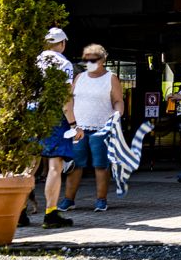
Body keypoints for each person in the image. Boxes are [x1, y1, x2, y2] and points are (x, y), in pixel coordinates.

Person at [60, 44, 124, 213]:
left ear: (103, 60)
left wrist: (117, 116)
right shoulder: (79, 77)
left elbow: (118, 100)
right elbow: (70, 99)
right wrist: (72, 121)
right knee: (75, 165)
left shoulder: (111, 78)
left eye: (93, 60)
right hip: (79, 127)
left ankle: (101, 200)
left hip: (102, 127)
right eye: (86, 59)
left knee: (101, 165)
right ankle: (68, 199)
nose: (89, 62)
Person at [35, 28, 83, 229]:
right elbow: (65, 99)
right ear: (62, 43)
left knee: (29, 166)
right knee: (55, 167)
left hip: (32, 113)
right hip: (54, 116)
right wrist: (74, 124)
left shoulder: (34, 61)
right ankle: (50, 213)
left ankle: (19, 213)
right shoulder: (64, 64)